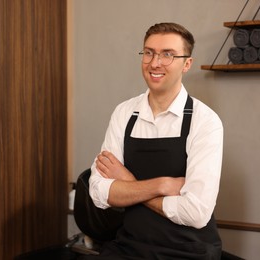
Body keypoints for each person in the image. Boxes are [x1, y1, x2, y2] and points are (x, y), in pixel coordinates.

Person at [82, 23, 223, 259]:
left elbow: (196, 212)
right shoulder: (124, 113)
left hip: (189, 251)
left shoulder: (205, 121)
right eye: (149, 53)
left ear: (186, 63)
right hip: (130, 246)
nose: (155, 63)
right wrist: (161, 185)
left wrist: (128, 182)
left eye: (168, 55)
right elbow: (99, 192)